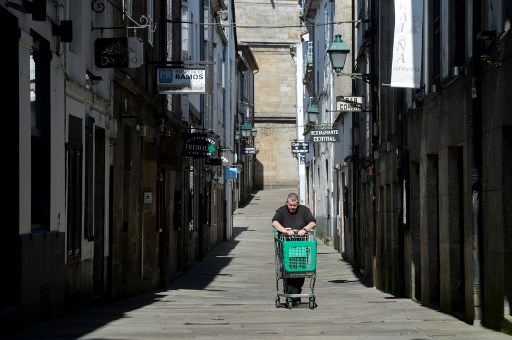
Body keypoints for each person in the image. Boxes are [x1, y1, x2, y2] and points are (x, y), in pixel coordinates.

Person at [272, 192, 316, 305]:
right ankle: (291, 295)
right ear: (287, 203)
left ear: (298, 204)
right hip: (286, 247)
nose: (292, 207)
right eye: (290, 205)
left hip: (301, 248)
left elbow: (312, 222)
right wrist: (286, 231)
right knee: (288, 271)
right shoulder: (281, 211)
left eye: (294, 205)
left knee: (300, 272)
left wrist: (304, 230)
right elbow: (275, 222)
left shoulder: (304, 210)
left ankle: (296, 294)